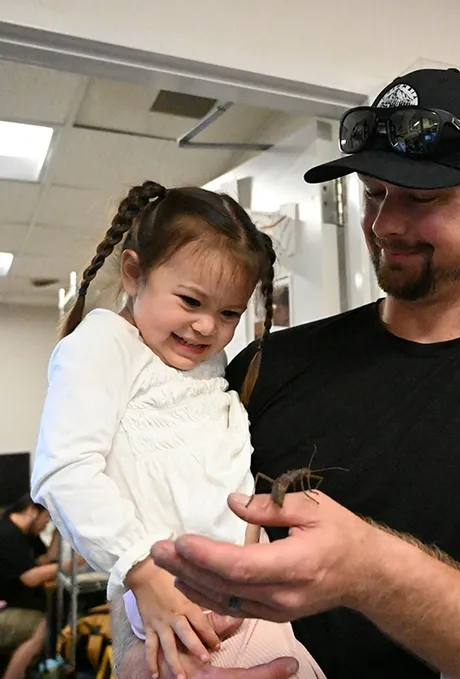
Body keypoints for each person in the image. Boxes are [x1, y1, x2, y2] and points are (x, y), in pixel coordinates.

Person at [117, 69, 460, 679]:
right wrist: (145, 662)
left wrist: (372, 572)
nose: (384, 225)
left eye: (421, 199)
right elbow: (151, 542)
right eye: (374, 192)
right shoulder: (267, 366)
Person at [30, 183, 325, 679]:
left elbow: (222, 475)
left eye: (230, 312)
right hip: (173, 602)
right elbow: (64, 472)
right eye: (190, 301)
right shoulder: (104, 343)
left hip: (243, 594)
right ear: (133, 273)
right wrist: (143, 573)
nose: (208, 328)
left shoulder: (204, 363)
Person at [0, 496, 53, 679]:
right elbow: (29, 577)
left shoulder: (26, 535)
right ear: (32, 511)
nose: (45, 525)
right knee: (44, 626)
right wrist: (67, 566)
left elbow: (44, 560)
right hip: (4, 611)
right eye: (46, 519)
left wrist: (61, 532)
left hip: (13, 605)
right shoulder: (6, 534)